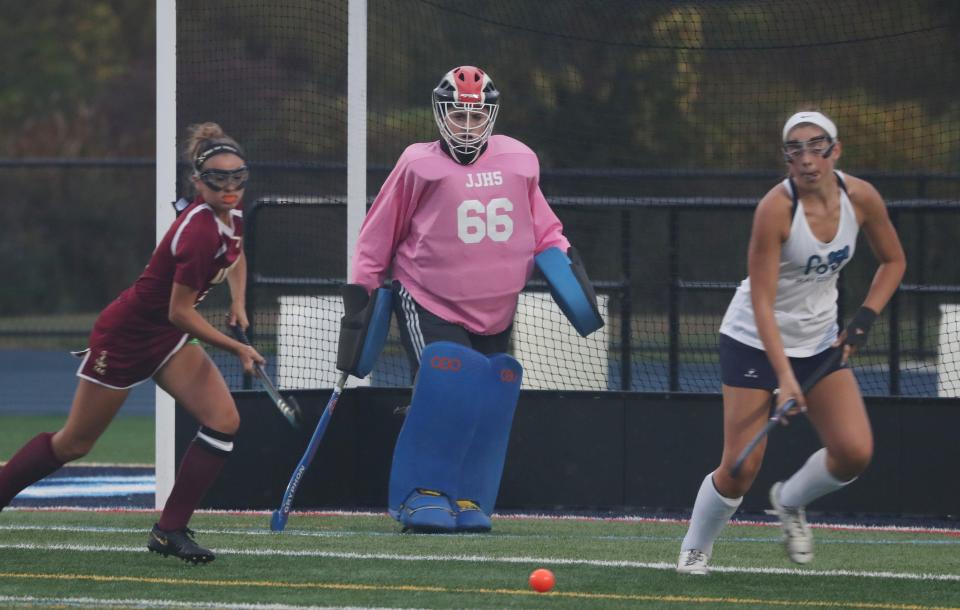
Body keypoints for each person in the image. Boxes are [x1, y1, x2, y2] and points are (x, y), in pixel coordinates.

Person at [348, 66, 600, 533]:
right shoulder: (417, 164)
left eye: (476, 116)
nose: (466, 126)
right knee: (447, 391)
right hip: (430, 297)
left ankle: (465, 495)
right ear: (440, 115)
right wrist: (360, 292)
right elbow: (378, 231)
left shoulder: (520, 160)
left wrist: (566, 265)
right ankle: (422, 492)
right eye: (458, 116)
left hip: (497, 307)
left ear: (491, 116)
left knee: (486, 399)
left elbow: (543, 225)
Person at [0, 122, 263, 564]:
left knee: (223, 420)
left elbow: (235, 255)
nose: (231, 186)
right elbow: (178, 312)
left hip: (168, 339)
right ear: (198, 182)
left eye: (239, 176)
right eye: (219, 179)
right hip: (128, 336)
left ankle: (169, 530)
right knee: (74, 444)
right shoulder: (197, 231)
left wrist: (237, 301)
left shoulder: (231, 214)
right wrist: (235, 346)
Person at [676, 111, 906, 574]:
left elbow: (894, 262)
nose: (806, 158)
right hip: (752, 339)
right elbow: (761, 302)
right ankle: (696, 547)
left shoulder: (860, 197)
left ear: (835, 151)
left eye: (816, 146)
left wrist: (862, 320)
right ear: (787, 160)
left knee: (853, 453)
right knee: (740, 467)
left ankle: (791, 502)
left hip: (820, 341)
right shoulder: (775, 210)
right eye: (795, 150)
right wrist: (784, 378)